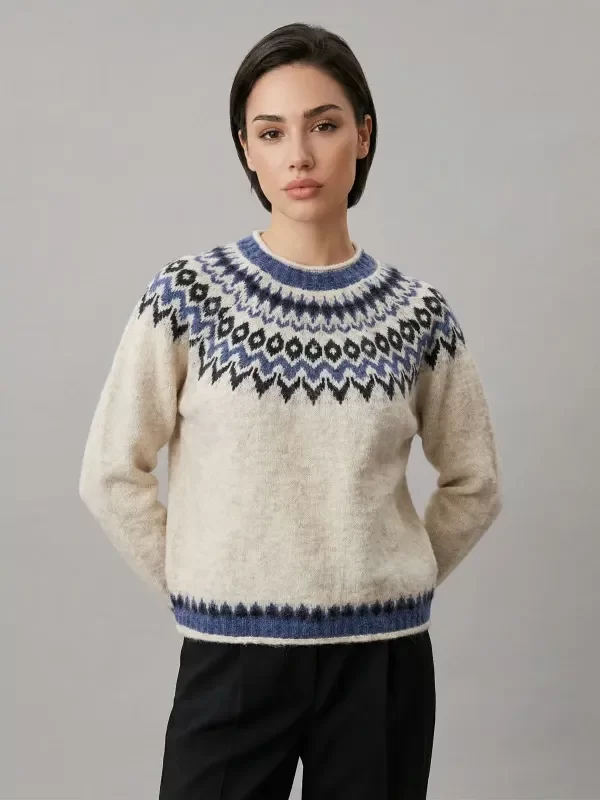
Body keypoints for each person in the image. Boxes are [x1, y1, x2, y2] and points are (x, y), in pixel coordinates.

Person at [78, 21, 503, 800]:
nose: (299, 156)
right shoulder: (188, 298)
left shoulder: (419, 315)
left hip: (381, 661)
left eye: (324, 125)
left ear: (363, 136)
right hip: (232, 658)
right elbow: (110, 471)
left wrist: (395, 574)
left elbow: (475, 481)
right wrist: (198, 579)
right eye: (271, 132)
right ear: (247, 149)